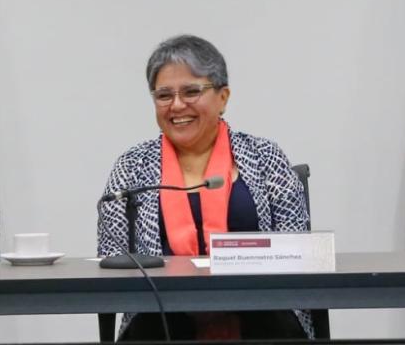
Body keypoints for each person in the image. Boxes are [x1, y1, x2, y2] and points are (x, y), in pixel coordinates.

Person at [97, 35, 312, 340]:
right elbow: (110, 258)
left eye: (191, 92)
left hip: (259, 308)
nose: (176, 105)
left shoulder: (266, 157)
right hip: (161, 312)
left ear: (223, 97)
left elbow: (297, 249)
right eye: (163, 95)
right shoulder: (132, 166)